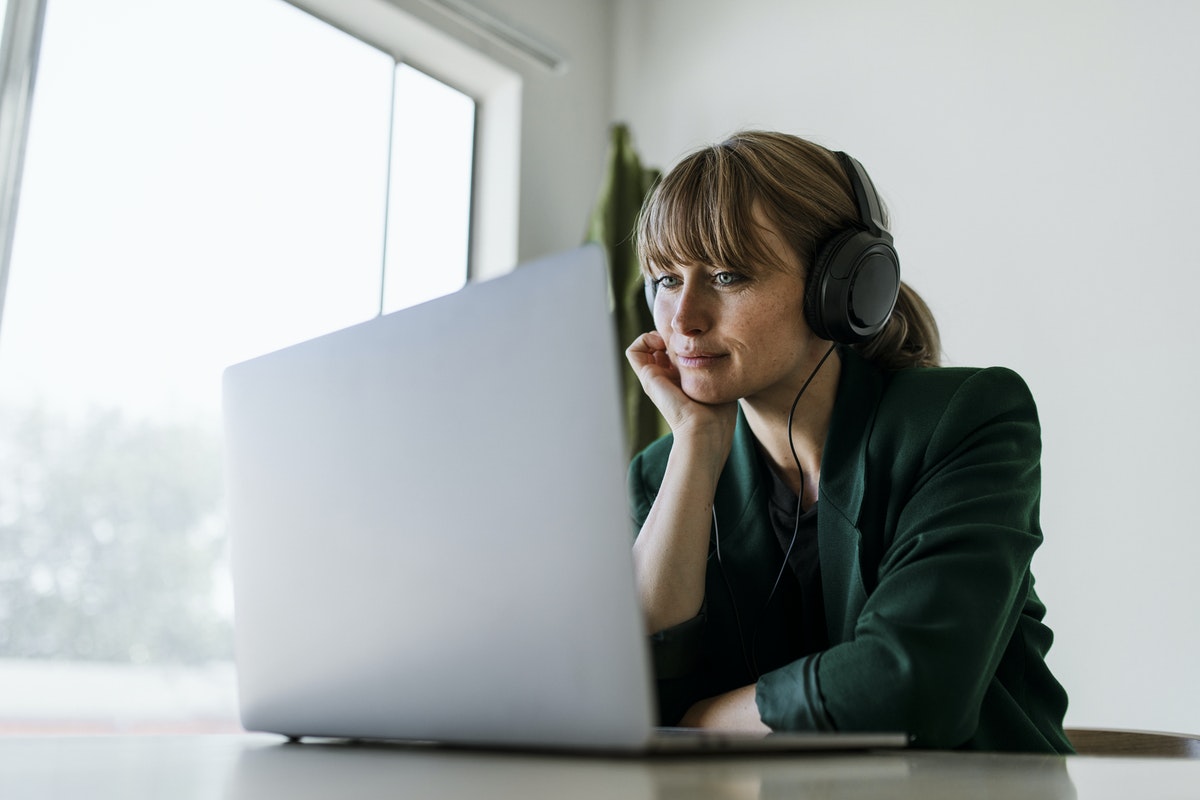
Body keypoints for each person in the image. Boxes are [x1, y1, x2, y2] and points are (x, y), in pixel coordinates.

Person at [625, 130, 1072, 752]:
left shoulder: (964, 421)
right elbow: (624, 696)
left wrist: (697, 721)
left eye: (728, 274)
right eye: (666, 280)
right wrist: (695, 445)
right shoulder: (662, 474)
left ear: (840, 287)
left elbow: (910, 685)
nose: (684, 319)